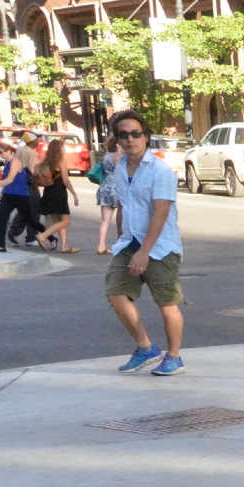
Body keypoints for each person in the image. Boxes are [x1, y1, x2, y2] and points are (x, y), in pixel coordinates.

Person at [103, 110, 187, 377]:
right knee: (116, 293)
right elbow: (123, 208)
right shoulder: (119, 169)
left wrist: (144, 252)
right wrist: (121, 243)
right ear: (117, 140)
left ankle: (174, 357)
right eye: (123, 135)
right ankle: (146, 347)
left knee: (167, 305)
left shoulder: (160, 172)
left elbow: (160, 214)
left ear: (146, 137)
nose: (130, 140)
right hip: (130, 243)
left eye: (135, 134)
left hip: (160, 247)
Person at [34, 137, 77, 252]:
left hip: (48, 192)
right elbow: (65, 180)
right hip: (59, 193)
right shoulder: (61, 161)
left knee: (60, 220)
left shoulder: (46, 161)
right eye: (63, 147)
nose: (65, 149)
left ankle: (65, 246)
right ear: (59, 149)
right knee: (66, 220)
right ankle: (42, 236)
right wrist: (74, 193)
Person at [0, 141, 30, 251]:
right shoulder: (7, 164)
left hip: (20, 195)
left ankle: (49, 236)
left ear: (9, 151)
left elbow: (10, 179)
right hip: (8, 195)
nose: (1, 154)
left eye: (2, 152)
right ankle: (1, 245)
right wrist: (2, 192)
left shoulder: (15, 162)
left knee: (29, 219)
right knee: (1, 217)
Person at [94, 138, 123, 254]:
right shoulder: (118, 156)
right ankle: (120, 244)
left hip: (105, 187)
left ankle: (101, 245)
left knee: (105, 220)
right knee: (121, 217)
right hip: (116, 187)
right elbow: (119, 170)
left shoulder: (105, 156)